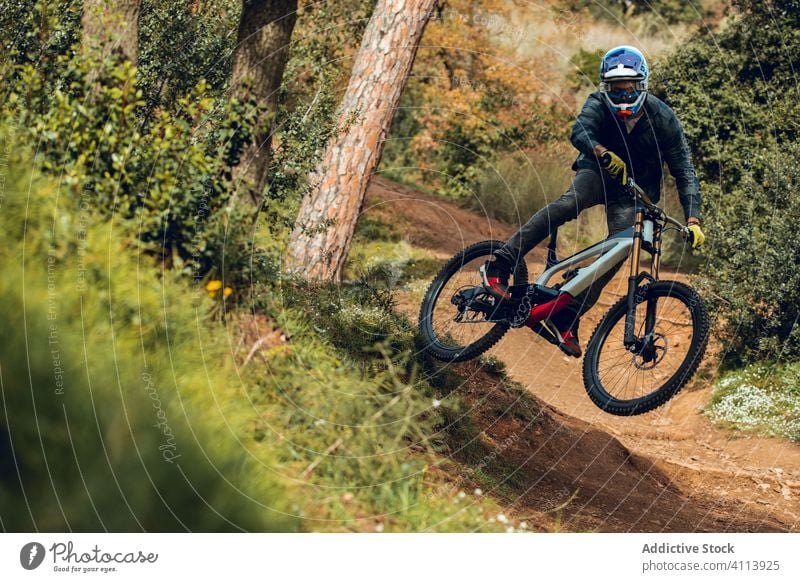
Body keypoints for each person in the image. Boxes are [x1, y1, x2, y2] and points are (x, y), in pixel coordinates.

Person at [479, 45, 705, 358]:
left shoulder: (663, 118)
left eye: (630, 89)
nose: (624, 96)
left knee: (621, 249)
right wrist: (601, 151)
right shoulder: (597, 101)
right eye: (616, 89)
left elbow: (685, 171)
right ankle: (501, 262)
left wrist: (693, 219)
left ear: (643, 85)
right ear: (605, 87)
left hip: (634, 192)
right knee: (569, 203)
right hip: (597, 172)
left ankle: (568, 313)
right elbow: (579, 130)